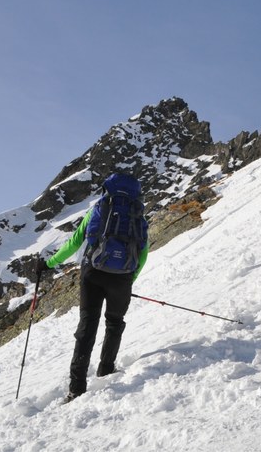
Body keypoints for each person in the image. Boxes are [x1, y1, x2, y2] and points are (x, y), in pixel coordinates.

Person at [46, 172, 150, 401]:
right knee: (114, 322)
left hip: (92, 274)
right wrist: (128, 280)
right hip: (122, 277)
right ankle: (106, 369)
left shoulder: (98, 210)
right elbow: (142, 255)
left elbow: (74, 243)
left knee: (87, 326)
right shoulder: (139, 219)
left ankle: (76, 387)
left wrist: (49, 263)